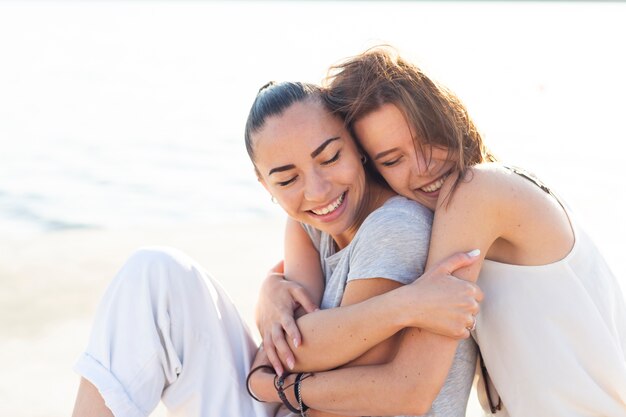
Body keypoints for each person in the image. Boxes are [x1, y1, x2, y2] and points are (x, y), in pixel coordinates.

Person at [71, 81, 483, 417]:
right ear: (264, 186)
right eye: (287, 180)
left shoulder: (395, 226)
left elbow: (324, 366)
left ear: (355, 143)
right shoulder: (308, 223)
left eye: (330, 156)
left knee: (154, 275)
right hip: (288, 406)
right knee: (157, 274)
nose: (317, 191)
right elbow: (293, 342)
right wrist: (270, 294)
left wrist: (268, 378)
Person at [261, 47, 626, 417]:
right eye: (392, 159)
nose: (423, 168)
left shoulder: (475, 193)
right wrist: (270, 291)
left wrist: (276, 386)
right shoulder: (471, 198)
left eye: (428, 138)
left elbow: (410, 387)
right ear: (372, 168)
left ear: (449, 115)